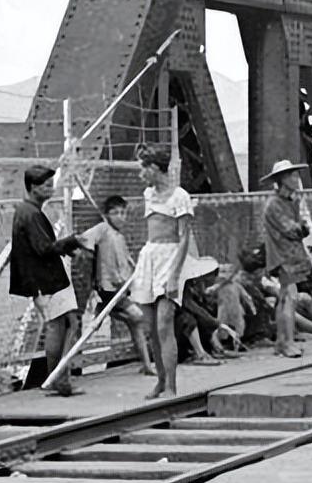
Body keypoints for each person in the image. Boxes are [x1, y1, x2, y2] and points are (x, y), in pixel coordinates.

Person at [128, 145, 219, 397]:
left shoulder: (180, 196)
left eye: (143, 169)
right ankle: (160, 380)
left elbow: (183, 237)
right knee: (151, 327)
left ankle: (171, 385)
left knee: (164, 324)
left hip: (170, 259)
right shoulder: (148, 194)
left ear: (154, 168)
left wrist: (174, 276)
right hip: (150, 257)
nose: (141, 174)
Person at [9, 164, 84, 396]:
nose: (51, 189)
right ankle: (57, 379)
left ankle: (58, 376)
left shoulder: (27, 211)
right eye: (46, 185)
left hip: (44, 279)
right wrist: (72, 242)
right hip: (46, 280)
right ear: (33, 187)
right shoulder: (32, 214)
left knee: (67, 322)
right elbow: (43, 248)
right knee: (59, 324)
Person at [78, 195, 154, 375]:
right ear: (107, 214)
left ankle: (147, 365)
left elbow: (126, 262)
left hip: (122, 288)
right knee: (137, 316)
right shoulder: (103, 229)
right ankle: (103, 310)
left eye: (123, 213)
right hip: (109, 288)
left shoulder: (119, 236)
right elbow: (83, 240)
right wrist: (89, 258)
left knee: (135, 323)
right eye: (115, 213)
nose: (120, 217)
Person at [260, 159, 312, 358]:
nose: (296, 179)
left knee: (285, 298)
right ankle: (287, 342)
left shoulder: (290, 201)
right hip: (283, 257)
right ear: (283, 179)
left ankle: (281, 341)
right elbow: (291, 229)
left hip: (291, 256)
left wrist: (302, 226)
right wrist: (302, 227)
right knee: (289, 298)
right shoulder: (274, 204)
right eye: (292, 176)